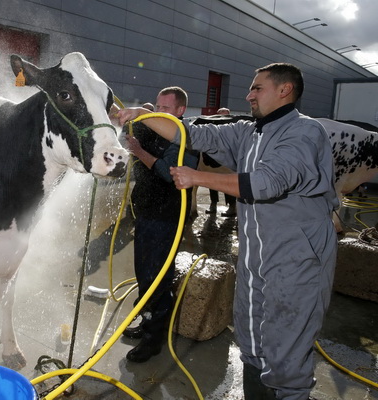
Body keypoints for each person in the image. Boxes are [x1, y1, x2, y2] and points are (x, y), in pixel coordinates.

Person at [117, 63, 338, 399]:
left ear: (285, 90)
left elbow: (268, 183)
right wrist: (139, 115)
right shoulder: (249, 132)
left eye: (257, 88)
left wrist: (197, 178)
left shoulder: (305, 133)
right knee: (250, 339)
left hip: (297, 260)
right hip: (254, 257)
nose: (249, 94)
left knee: (288, 351)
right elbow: (189, 132)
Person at [121, 87, 199, 363]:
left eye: (165, 109)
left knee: (158, 278)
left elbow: (169, 173)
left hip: (168, 219)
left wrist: (139, 151)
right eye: (156, 106)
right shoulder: (153, 129)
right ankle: (145, 321)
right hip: (146, 214)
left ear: (180, 112)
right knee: (144, 274)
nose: (158, 112)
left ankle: (153, 340)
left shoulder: (187, 137)